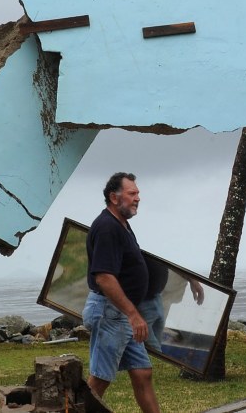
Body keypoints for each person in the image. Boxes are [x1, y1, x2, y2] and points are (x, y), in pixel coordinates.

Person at [83, 172, 161, 413]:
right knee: (100, 379)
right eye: (132, 193)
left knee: (142, 372)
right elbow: (104, 277)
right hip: (112, 313)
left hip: (122, 315)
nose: (138, 198)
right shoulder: (107, 227)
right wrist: (133, 314)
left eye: (137, 193)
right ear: (114, 198)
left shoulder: (121, 225)